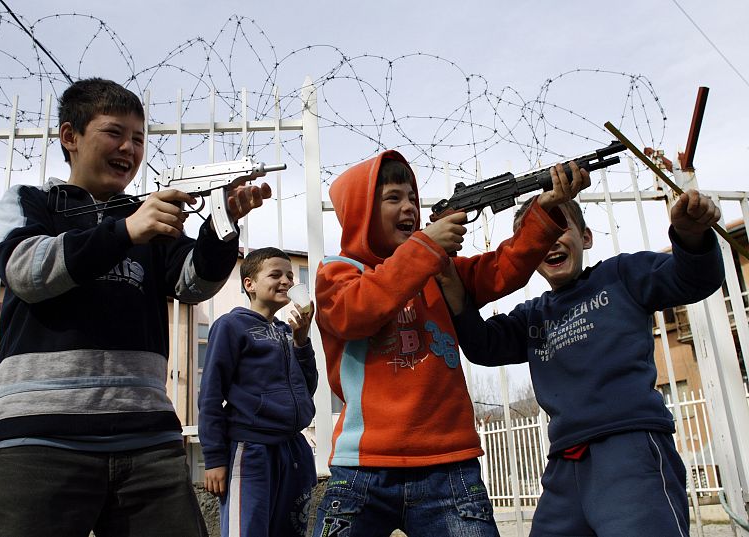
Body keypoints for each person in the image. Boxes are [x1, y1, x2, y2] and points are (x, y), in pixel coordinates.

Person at [0, 77, 270, 537]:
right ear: (70, 137)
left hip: (147, 436)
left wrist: (223, 222)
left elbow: (190, 283)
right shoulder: (32, 203)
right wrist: (125, 232)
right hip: (40, 438)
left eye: (138, 138)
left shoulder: (146, 216)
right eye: (114, 133)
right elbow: (25, 271)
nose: (129, 148)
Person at [310, 149, 590, 537]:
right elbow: (354, 313)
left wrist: (546, 212)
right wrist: (424, 247)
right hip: (363, 466)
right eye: (393, 198)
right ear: (360, 212)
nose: (409, 206)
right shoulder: (340, 272)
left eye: (412, 197)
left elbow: (502, 269)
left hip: (449, 466)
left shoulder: (441, 271)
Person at [445, 191, 724, 536]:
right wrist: (450, 287)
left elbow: (693, 279)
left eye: (559, 226)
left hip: (629, 448)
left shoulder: (621, 275)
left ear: (586, 237)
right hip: (565, 464)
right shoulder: (533, 316)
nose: (550, 240)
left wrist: (691, 236)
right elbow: (483, 346)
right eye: (539, 234)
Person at [198, 247, 317, 537]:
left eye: (290, 275)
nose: (287, 281)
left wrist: (302, 342)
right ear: (249, 284)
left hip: (292, 450)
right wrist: (214, 458)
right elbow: (211, 394)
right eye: (275, 274)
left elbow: (307, 388)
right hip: (251, 450)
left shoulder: (288, 331)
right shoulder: (231, 326)